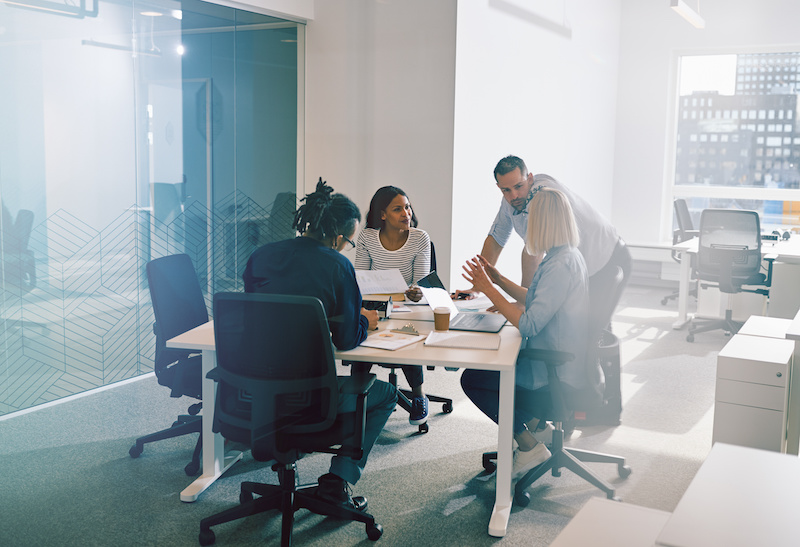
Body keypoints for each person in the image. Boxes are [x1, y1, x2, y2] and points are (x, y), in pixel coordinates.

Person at [242, 178, 397, 512]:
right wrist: (364, 322)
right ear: (338, 237)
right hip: (308, 399)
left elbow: (255, 315)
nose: (347, 248)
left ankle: (292, 457)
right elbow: (346, 339)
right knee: (385, 394)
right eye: (350, 242)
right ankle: (336, 480)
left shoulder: (261, 255)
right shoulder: (337, 265)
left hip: (252, 392)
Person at [460, 187, 590, 479]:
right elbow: (537, 297)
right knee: (490, 369)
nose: (527, 225)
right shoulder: (563, 255)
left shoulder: (560, 265)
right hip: (558, 358)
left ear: (543, 222)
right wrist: (499, 279)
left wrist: (489, 290)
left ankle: (529, 444)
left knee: (474, 379)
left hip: (555, 371)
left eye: (532, 219)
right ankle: (537, 427)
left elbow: (529, 323)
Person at [456, 154, 630, 297]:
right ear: (499, 187)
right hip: (581, 267)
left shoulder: (543, 195)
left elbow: (533, 250)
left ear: (530, 178)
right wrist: (477, 287)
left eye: (519, 186)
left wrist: (522, 299)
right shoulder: (509, 201)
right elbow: (496, 238)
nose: (514, 195)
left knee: (594, 332)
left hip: (609, 256)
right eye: (506, 190)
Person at [353, 186, 432, 425]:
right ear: (383, 214)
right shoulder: (367, 237)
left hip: (408, 306)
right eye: (398, 209)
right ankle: (356, 396)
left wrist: (417, 292)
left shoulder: (420, 238)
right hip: (375, 302)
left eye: (407, 207)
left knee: (408, 338)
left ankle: (418, 396)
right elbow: (360, 277)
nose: (406, 213)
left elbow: (421, 283)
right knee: (362, 337)